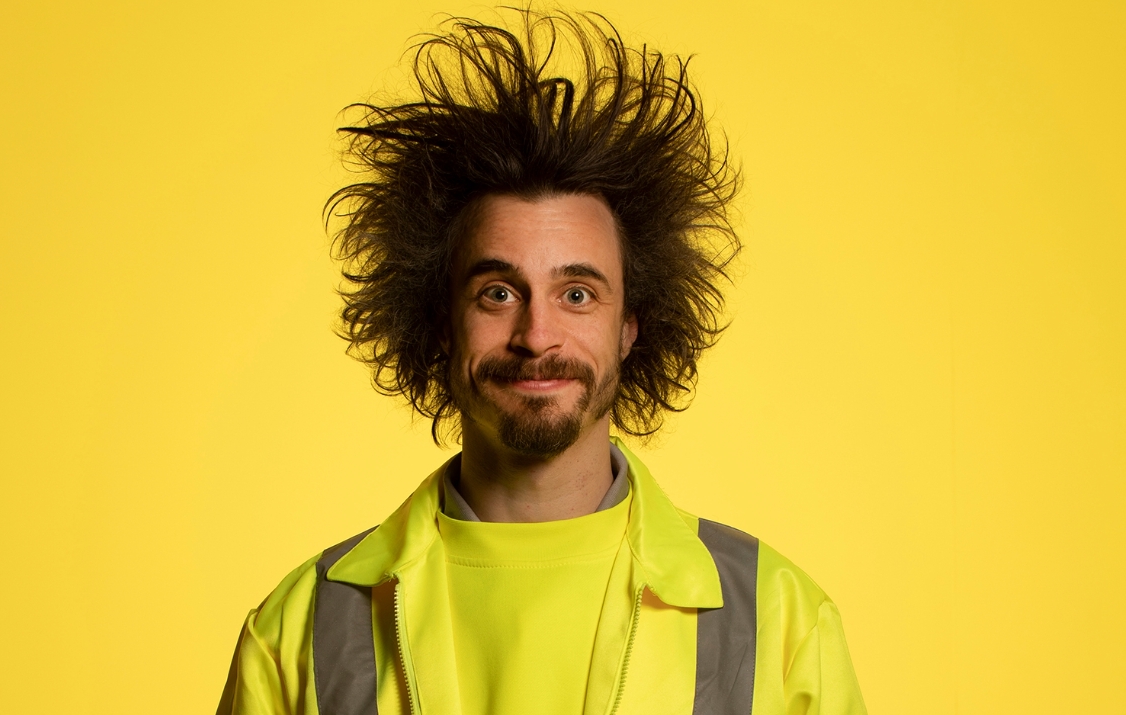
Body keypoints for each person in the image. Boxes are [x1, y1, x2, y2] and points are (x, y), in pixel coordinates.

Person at [217, 10, 866, 715]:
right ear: (441, 323)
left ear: (629, 328)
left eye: (577, 292)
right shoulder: (300, 629)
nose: (537, 333)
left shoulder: (781, 622)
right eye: (498, 291)